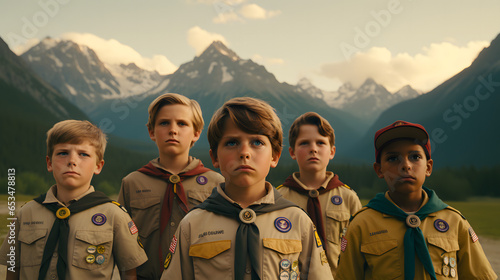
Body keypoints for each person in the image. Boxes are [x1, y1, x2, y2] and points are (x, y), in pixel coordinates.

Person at [160, 97, 334, 280]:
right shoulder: (192, 224)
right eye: (232, 142)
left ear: (275, 156)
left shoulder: (298, 221)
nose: (244, 152)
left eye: (257, 142)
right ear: (215, 157)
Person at [336, 120, 498, 280]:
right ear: (379, 170)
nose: (405, 165)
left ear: (428, 167)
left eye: (415, 157)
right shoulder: (362, 224)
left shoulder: (455, 222)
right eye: (393, 158)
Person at [0, 120, 147, 280]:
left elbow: (130, 274)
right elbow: (12, 269)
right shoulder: (26, 213)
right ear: (49, 163)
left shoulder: (114, 216)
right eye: (63, 153)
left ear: (98, 166)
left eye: (83, 154)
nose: (72, 161)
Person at [118, 93, 224, 279]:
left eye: (182, 124)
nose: (173, 130)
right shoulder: (132, 183)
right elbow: (123, 243)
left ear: (196, 133)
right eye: (164, 123)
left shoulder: (216, 183)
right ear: (151, 132)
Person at [276, 112, 362, 277]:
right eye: (304, 143)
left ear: (332, 151)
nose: (313, 149)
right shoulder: (279, 198)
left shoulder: (348, 198)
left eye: (321, 143)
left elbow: (359, 248)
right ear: (292, 152)